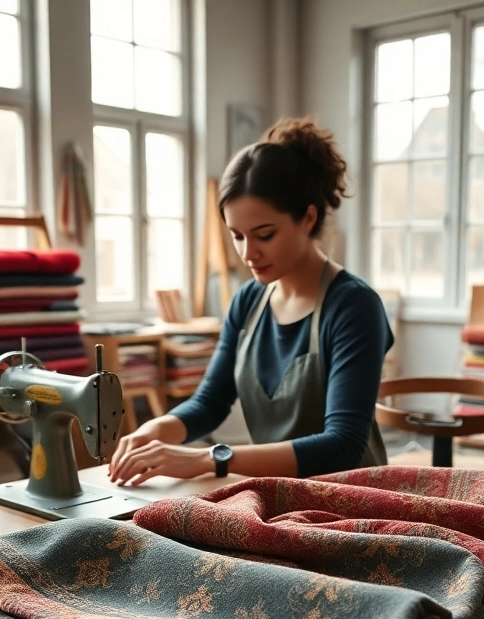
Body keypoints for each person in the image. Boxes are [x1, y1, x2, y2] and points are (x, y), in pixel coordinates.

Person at [107, 117, 392, 486]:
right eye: (237, 236)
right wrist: (155, 430)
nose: (247, 253)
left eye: (264, 235)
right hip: (278, 495)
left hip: (354, 501)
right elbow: (210, 403)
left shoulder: (354, 307)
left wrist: (208, 458)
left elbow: (343, 445)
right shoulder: (249, 300)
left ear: (308, 218)